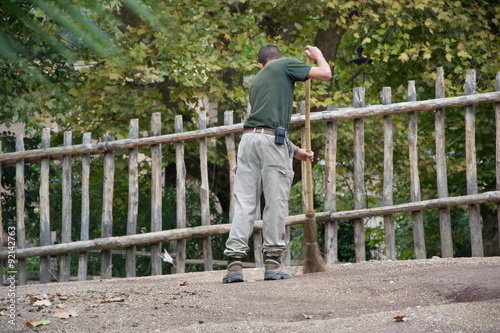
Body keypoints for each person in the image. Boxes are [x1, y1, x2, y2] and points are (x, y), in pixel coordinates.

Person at [223, 45, 332, 283]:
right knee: (275, 201)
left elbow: (264, 127)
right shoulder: (284, 64)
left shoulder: (257, 82)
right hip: (269, 142)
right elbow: (325, 74)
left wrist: (295, 151)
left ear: (260, 64)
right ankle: (272, 263)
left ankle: (234, 265)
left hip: (248, 140)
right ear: (275, 60)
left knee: (245, 202)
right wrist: (318, 56)